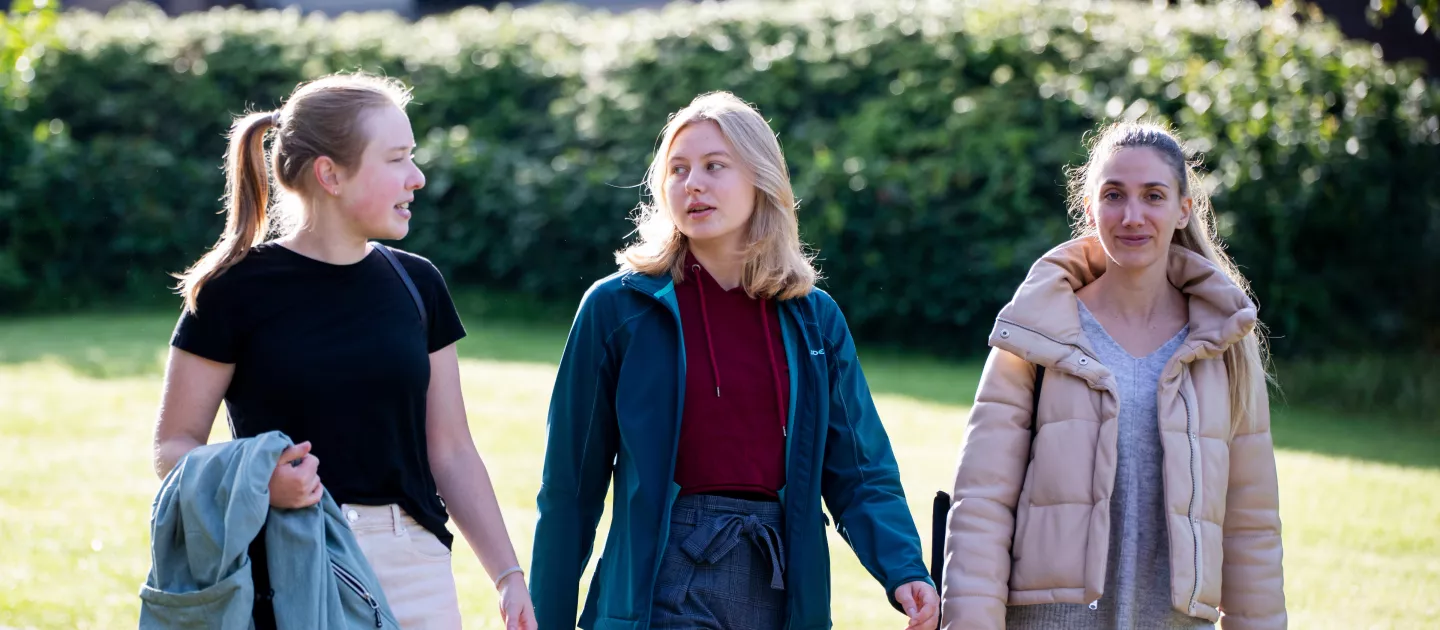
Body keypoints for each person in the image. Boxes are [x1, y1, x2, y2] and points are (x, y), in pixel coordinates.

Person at [529, 91, 939, 630]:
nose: (692, 184)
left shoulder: (814, 317)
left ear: (761, 180)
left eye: (714, 166)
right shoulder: (617, 308)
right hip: (660, 585)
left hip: (782, 580)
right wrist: (547, 616)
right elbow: (570, 487)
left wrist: (904, 569)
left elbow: (860, 471)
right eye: (678, 170)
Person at [151, 72, 536, 630]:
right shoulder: (232, 291)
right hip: (289, 565)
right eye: (397, 159)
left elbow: (451, 450)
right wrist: (259, 484)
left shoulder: (418, 285)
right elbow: (172, 446)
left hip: (418, 570)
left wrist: (507, 575)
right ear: (330, 174)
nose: (418, 177)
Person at [941, 122, 1286, 629]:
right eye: (1114, 195)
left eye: (1153, 196)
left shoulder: (1224, 345)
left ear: (1183, 210)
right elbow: (982, 504)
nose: (1132, 216)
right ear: (1089, 207)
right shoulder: (1038, 333)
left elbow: (1251, 527)